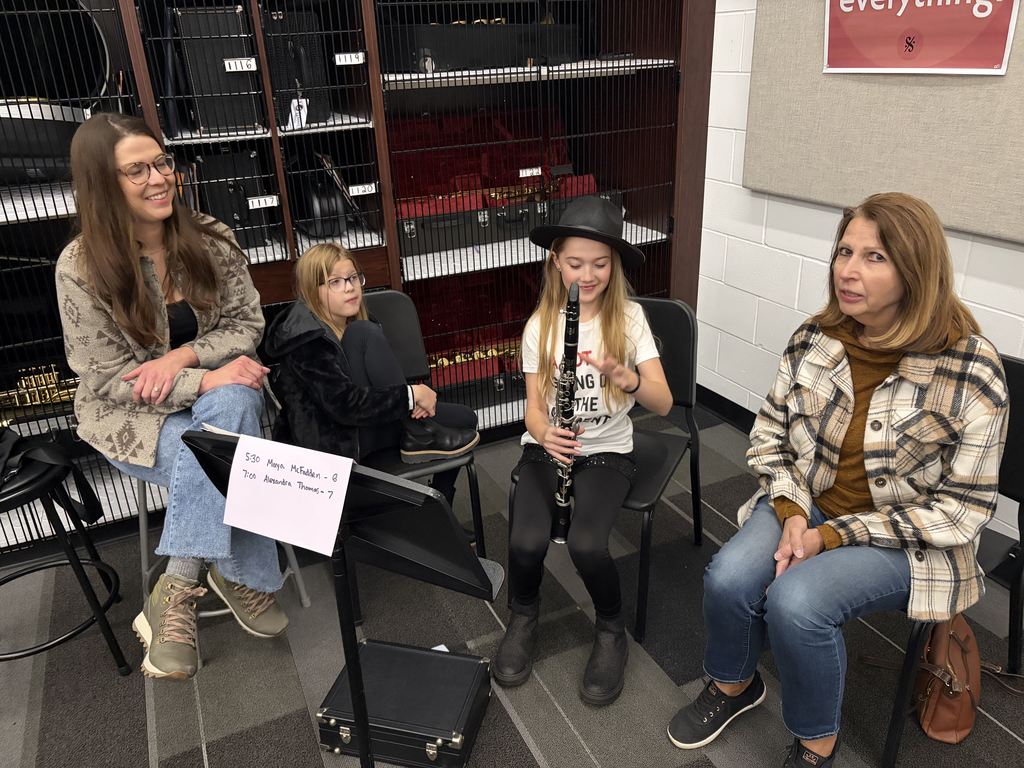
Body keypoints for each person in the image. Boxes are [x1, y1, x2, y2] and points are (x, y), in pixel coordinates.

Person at [666, 192, 1008, 766]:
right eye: (844, 251)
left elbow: (961, 512)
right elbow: (769, 434)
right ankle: (734, 684)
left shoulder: (971, 369)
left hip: (910, 540)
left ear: (916, 269)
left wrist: (830, 537)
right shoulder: (814, 338)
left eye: (875, 257)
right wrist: (794, 512)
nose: (848, 270)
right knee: (727, 578)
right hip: (810, 505)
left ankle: (817, 743)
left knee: (797, 603)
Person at [55, 113, 288, 681]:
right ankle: (231, 573)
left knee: (228, 418)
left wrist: (182, 357)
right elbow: (108, 376)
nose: (159, 178)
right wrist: (203, 378)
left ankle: (176, 587)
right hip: (127, 418)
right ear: (102, 184)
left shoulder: (210, 238)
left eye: (162, 163)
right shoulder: (79, 268)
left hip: (220, 403)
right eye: (136, 170)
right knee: (222, 454)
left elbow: (244, 326)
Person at [492, 196, 673, 706]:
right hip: (550, 447)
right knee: (525, 541)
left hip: (608, 450)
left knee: (587, 545)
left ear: (614, 265)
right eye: (575, 264)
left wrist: (625, 374)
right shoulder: (540, 326)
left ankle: (611, 629)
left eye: (600, 264)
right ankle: (523, 615)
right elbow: (531, 408)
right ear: (556, 261)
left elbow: (662, 403)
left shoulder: (630, 319)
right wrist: (544, 432)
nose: (587, 275)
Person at [263, 242, 479, 505]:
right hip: (336, 444)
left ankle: (437, 506)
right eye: (335, 282)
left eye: (353, 277)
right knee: (363, 332)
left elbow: (375, 387)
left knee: (465, 418)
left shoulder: (356, 324)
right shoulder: (307, 340)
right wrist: (411, 396)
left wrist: (410, 398)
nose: (350, 287)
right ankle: (418, 432)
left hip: (365, 424)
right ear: (313, 290)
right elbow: (343, 405)